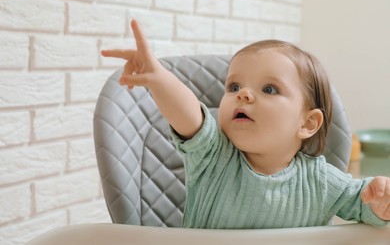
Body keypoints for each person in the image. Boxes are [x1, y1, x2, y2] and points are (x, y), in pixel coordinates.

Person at [102, 19, 390, 229]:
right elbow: (189, 115)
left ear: (307, 123)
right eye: (233, 86)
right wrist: (158, 78)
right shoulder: (213, 157)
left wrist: (380, 202)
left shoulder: (321, 181)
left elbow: (363, 203)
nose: (243, 94)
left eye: (269, 89)